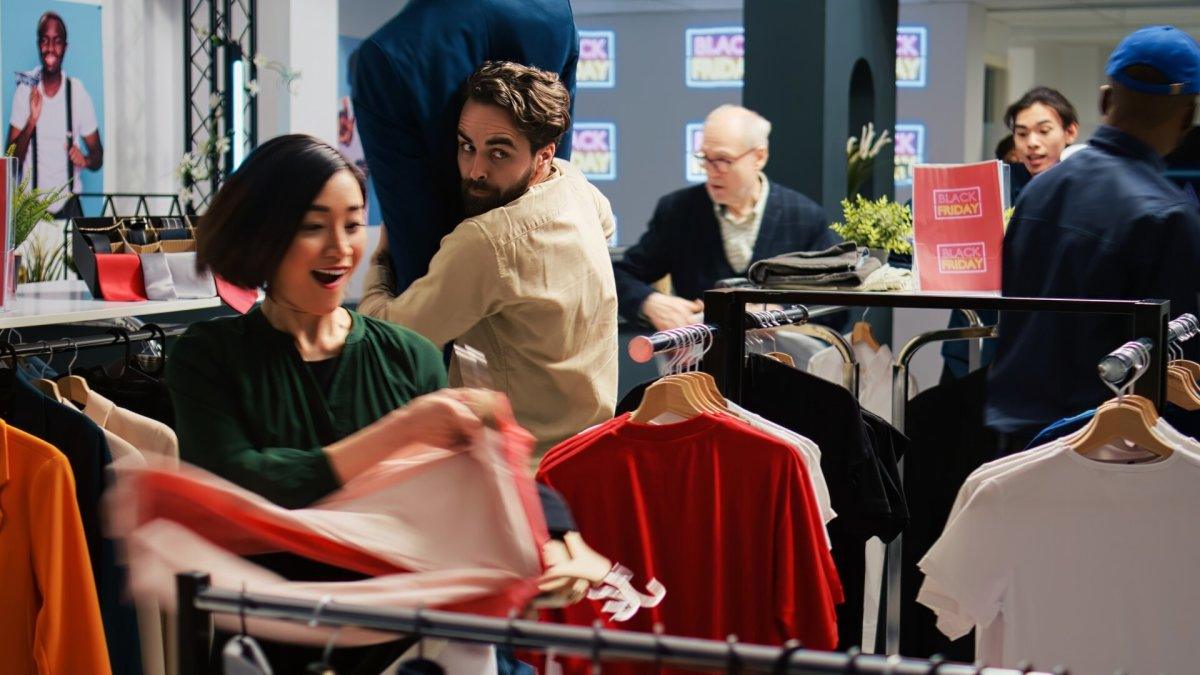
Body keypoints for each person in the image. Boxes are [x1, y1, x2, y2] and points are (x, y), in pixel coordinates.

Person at [358, 61, 618, 458]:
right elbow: (607, 223)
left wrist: (380, 261)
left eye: (499, 153)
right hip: (592, 455)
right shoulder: (573, 183)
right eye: (467, 147)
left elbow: (389, 341)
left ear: (543, 156)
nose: (476, 171)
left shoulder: (487, 242)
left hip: (523, 472)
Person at [985, 25, 1200, 448]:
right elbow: (1179, 369)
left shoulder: (1039, 193)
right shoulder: (1169, 216)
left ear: (1104, 99)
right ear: (1187, 117)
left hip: (1016, 441)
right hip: (1111, 449)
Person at [352, 0, 579, 295]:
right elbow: (555, 175)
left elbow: (416, 244)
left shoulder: (386, 56)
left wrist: (381, 274)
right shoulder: (553, 11)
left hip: (445, 292)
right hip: (546, 280)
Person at [612, 104, 840, 332]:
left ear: (759, 157)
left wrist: (779, 313)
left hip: (782, 352)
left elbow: (834, 302)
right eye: (705, 158)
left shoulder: (804, 217)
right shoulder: (678, 211)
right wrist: (648, 302)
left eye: (723, 160)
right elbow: (620, 275)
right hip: (702, 352)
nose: (711, 171)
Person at [941, 88, 1081, 382]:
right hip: (980, 336)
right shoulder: (995, 183)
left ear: (1070, 132)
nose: (1032, 143)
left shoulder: (1084, 190)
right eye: (1022, 133)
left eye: (1044, 131)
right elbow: (928, 210)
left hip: (1052, 342)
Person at [7, 11, 102, 218]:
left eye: (57, 41)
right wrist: (31, 122)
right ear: (38, 44)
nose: (50, 48)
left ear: (65, 47)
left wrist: (85, 160)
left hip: (69, 208)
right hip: (30, 210)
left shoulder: (77, 93)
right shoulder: (25, 91)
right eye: (45, 40)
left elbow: (98, 157)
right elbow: (10, 160)